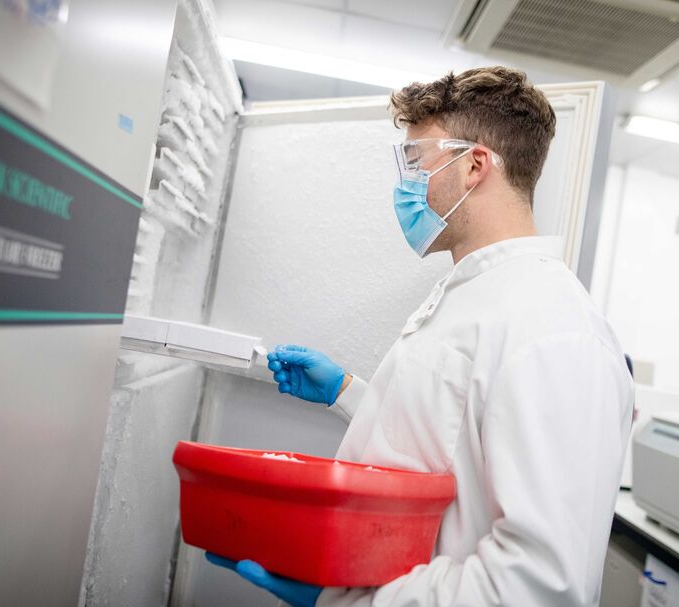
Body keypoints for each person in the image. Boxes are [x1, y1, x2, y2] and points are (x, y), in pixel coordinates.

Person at [207, 66, 634, 606]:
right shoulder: (480, 292)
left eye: (415, 163)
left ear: (475, 165)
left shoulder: (555, 331)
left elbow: (538, 584)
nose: (405, 184)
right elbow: (451, 437)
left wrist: (353, 600)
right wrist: (347, 392)